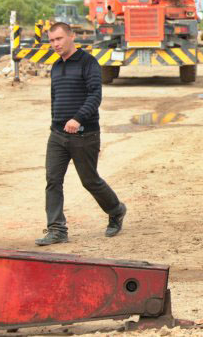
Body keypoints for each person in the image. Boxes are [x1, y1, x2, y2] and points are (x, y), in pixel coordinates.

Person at [35, 22, 127, 246]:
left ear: (72, 36)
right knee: (53, 180)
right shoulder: (56, 66)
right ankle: (57, 229)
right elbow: (55, 99)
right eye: (52, 40)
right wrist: (55, 123)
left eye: (59, 39)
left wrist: (77, 119)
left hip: (85, 134)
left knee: (90, 180)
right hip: (57, 135)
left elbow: (95, 95)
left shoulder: (88, 63)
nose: (55, 44)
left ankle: (116, 210)